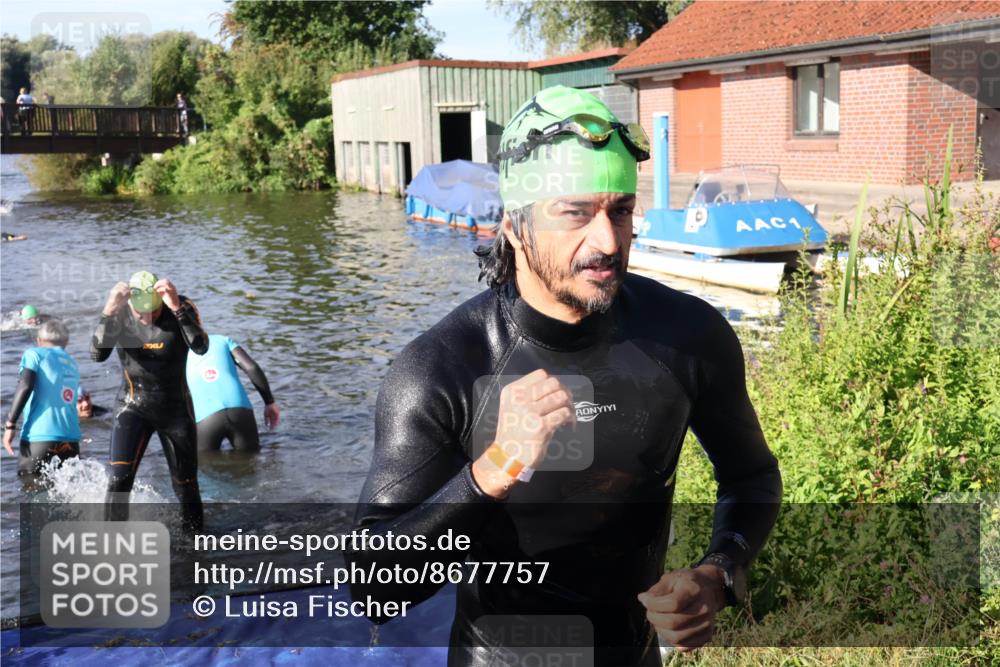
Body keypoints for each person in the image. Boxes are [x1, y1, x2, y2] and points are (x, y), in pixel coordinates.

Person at [348, 86, 782, 664]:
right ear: (513, 225)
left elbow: (751, 478)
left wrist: (718, 574)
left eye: (620, 211)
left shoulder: (687, 336)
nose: (606, 241)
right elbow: (373, 586)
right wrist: (492, 471)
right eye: (575, 212)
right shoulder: (442, 368)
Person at [91, 270, 208, 531]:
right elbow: (98, 354)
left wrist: (176, 307)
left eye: (153, 312)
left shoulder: (181, 305)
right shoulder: (119, 313)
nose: (147, 318)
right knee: (119, 480)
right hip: (133, 406)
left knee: (186, 485)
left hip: (175, 410)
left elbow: (201, 346)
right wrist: (108, 310)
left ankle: (196, 547)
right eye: (140, 313)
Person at [2, 319, 81, 475]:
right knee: (65, 496)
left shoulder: (33, 354)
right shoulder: (72, 362)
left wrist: (10, 424)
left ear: (39, 340)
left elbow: (25, 385)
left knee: (32, 493)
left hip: (40, 438)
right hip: (71, 441)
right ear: (66, 342)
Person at [186, 333, 280, 452]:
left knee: (206, 466)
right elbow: (252, 368)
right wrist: (269, 402)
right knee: (250, 464)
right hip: (240, 409)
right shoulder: (223, 340)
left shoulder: (177, 349)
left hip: (205, 417)